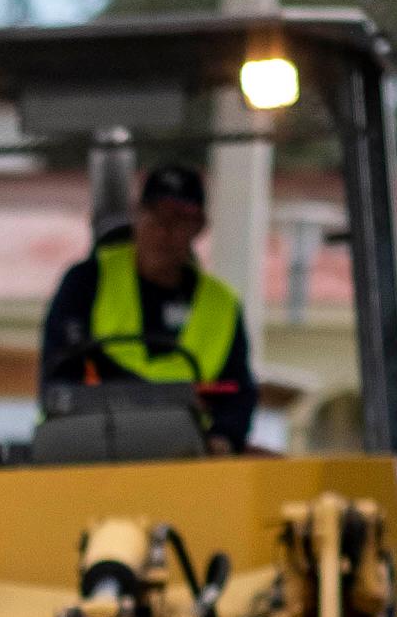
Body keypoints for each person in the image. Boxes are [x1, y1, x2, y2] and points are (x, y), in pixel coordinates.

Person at [40, 161, 262, 450]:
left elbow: (236, 392)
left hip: (186, 462)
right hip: (87, 453)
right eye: (156, 216)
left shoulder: (221, 305)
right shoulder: (86, 282)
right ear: (136, 215)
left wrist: (223, 438)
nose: (165, 231)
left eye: (180, 219)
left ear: (200, 227)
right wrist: (157, 400)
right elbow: (61, 374)